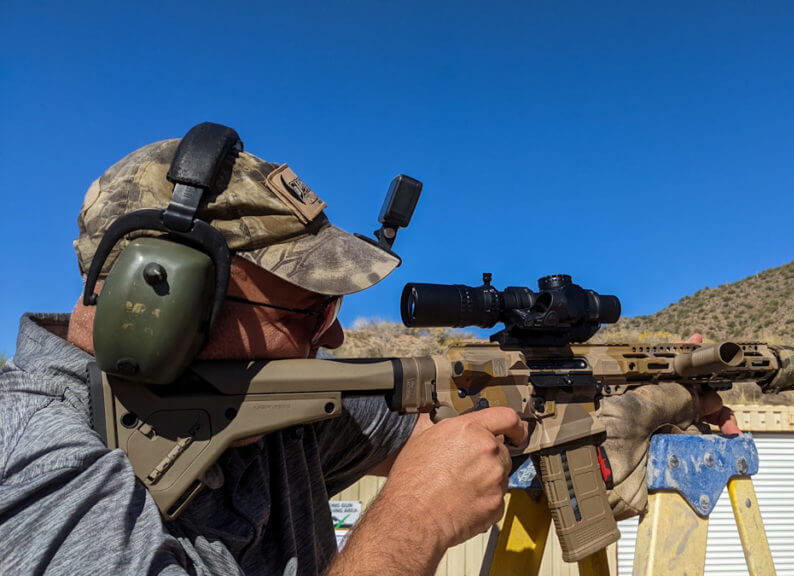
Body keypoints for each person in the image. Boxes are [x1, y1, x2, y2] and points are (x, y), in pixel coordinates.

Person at [0, 133, 736, 575]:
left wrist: (662, 396)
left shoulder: (269, 415)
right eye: (308, 305)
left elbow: (457, 433)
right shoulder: (33, 461)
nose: (336, 335)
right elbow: (423, 482)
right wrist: (410, 520)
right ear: (160, 299)